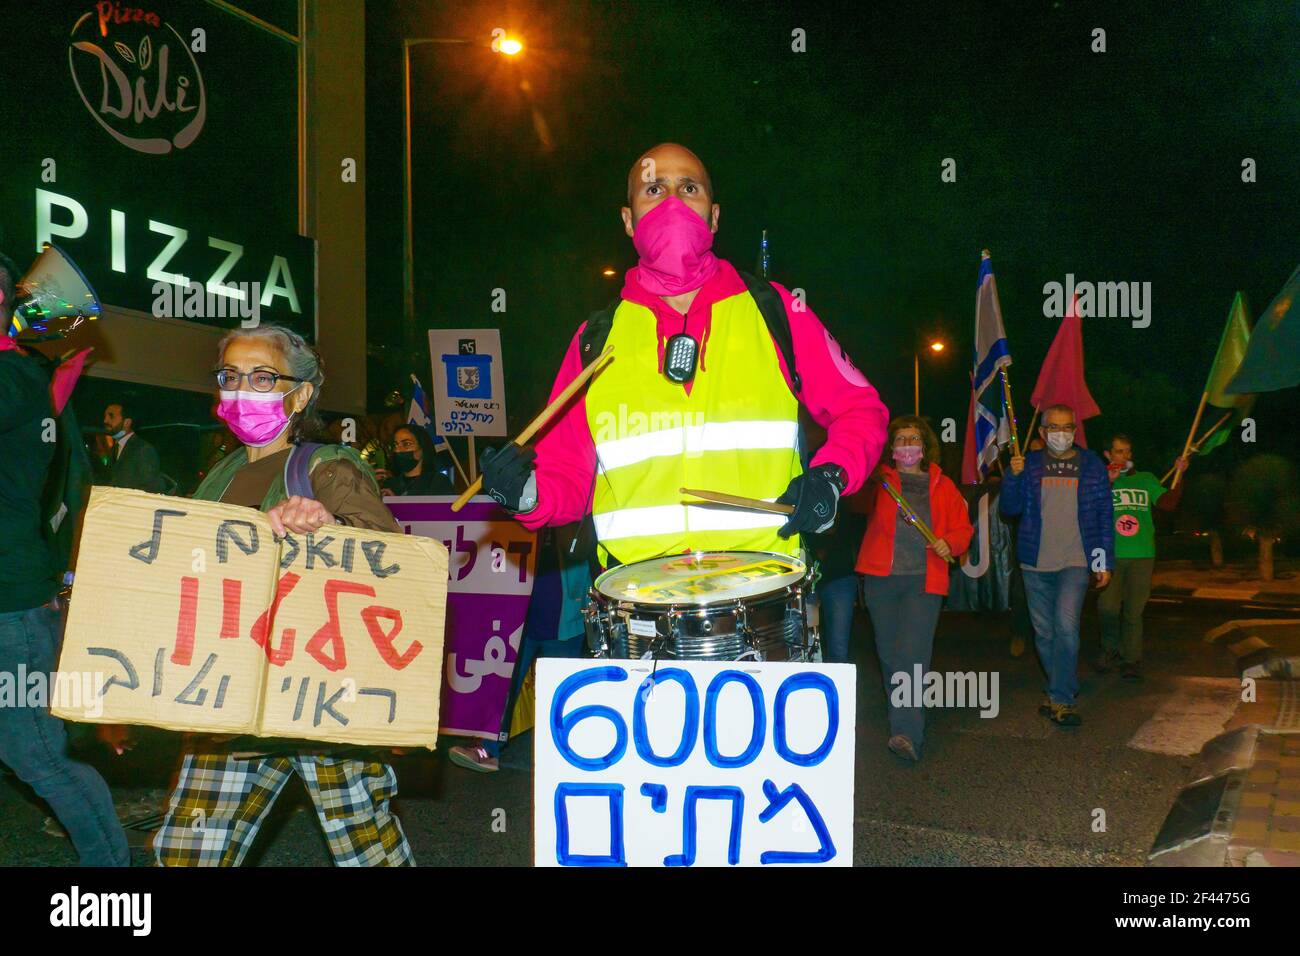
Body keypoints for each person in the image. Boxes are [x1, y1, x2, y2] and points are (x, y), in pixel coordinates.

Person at [479, 143, 889, 570]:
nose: (672, 203)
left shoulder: (777, 311)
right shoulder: (594, 342)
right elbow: (566, 475)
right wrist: (525, 493)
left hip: (763, 590)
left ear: (713, 216)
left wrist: (829, 478)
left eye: (688, 188)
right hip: (636, 607)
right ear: (627, 219)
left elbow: (861, 410)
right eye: (654, 190)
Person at [152, 324, 414, 866]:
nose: (243, 389)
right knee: (187, 852)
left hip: (319, 702)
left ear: (299, 394)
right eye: (231, 376)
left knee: (369, 854)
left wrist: (324, 526)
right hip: (229, 700)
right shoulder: (216, 479)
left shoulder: (326, 467)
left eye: (263, 377)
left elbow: (390, 561)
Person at [0, 249, 130, 866]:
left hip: (11, 612)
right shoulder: (23, 378)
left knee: (40, 758)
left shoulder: (14, 379)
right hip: (14, 604)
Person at [855, 416, 973, 760]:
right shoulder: (878, 482)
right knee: (890, 655)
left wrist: (948, 543)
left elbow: (963, 529)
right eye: (901, 439)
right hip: (881, 580)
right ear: (890, 448)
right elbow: (853, 505)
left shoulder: (944, 485)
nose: (907, 445)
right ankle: (904, 717)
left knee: (913, 654)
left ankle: (906, 732)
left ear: (925, 446)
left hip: (924, 580)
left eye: (914, 438)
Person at [1001, 404, 1114, 727]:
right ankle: (1059, 689)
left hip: (1075, 562)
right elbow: (1010, 509)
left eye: (1067, 427)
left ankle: (1062, 698)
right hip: (1035, 562)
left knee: (1066, 628)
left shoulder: (1092, 465)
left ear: (1074, 430)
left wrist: (1102, 560)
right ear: (1042, 431)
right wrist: (1013, 476)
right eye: (1054, 427)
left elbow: (1105, 515)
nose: (1060, 433)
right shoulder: (1031, 464)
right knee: (1045, 633)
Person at [447, 522, 592, 772]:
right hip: (518, 615)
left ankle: (568, 761)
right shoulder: (516, 500)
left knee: (562, 694)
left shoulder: (572, 497)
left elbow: (586, 547)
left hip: (564, 613)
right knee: (501, 684)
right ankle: (487, 748)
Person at [1095, 435, 1187, 680]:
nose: (1124, 456)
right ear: (1107, 455)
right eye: (1118, 452)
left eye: (1128, 451)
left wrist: (1180, 475)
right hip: (1109, 556)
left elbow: (1167, 503)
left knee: (1133, 612)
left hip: (1142, 553)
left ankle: (1131, 659)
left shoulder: (1146, 479)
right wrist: (1107, 482)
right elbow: (1088, 508)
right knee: (1107, 608)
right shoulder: (1098, 480)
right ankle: (1109, 648)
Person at [104, 398, 166, 493]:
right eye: (105, 416)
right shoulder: (114, 449)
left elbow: (150, 489)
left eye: (111, 416)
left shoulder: (143, 450)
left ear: (127, 422)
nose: (105, 420)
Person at [376, 424, 455, 496]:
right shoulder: (390, 484)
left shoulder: (438, 482)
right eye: (395, 445)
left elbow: (438, 511)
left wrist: (396, 502)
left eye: (407, 444)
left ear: (422, 448)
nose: (398, 450)